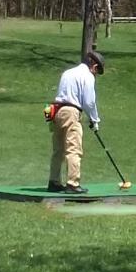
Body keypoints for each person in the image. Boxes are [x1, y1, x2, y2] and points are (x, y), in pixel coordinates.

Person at [47, 50, 105, 193]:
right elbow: (89, 102)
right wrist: (94, 120)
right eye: (97, 71)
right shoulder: (88, 76)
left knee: (58, 150)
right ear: (94, 66)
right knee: (74, 148)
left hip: (56, 112)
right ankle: (72, 183)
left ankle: (54, 181)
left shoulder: (68, 73)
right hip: (71, 112)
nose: (96, 74)